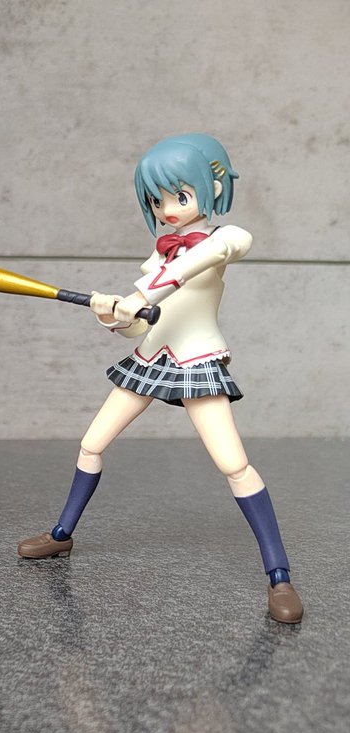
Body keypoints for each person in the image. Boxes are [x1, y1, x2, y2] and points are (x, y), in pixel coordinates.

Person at [18, 133, 302, 624]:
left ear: (212, 188)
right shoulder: (159, 255)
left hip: (196, 361)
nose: (168, 210)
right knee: (91, 443)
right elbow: (139, 323)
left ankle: (279, 575)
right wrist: (112, 314)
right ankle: (62, 535)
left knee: (234, 464)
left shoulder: (227, 239)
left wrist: (143, 293)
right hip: (151, 359)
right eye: (157, 200)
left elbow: (195, 265)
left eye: (180, 196)